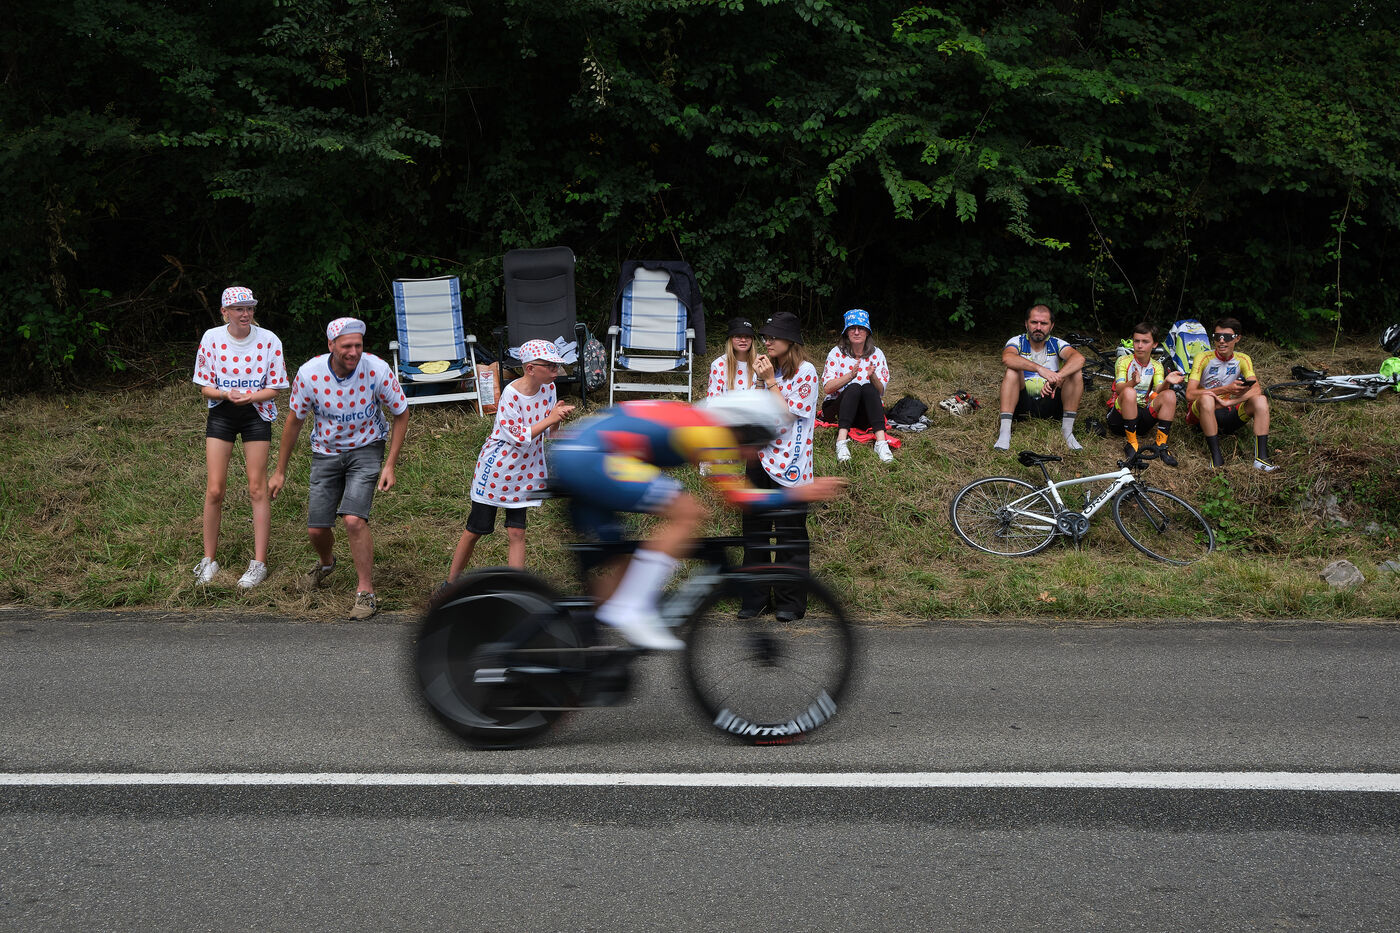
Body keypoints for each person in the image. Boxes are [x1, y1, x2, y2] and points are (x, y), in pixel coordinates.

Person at [549, 390, 843, 650]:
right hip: (594, 457)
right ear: (744, 428)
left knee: (625, 567)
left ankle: (580, 646)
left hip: (579, 452)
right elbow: (737, 498)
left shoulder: (697, 423)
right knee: (687, 511)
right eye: (759, 442)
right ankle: (633, 610)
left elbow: (727, 490)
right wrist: (799, 493)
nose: (755, 455)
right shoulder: (711, 431)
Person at [268, 317, 411, 619]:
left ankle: (366, 592)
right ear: (331, 345)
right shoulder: (310, 374)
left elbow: (401, 412)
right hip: (326, 451)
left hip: (367, 446)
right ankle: (326, 563)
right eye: (347, 346)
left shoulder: (377, 369)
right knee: (317, 529)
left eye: (358, 345)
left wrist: (390, 465)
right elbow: (294, 422)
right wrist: (280, 470)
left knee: (353, 520)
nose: (354, 352)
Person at [446, 339, 575, 579]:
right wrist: (551, 418)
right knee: (475, 530)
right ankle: (450, 584)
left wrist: (557, 419)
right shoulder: (511, 394)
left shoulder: (549, 388)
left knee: (517, 532)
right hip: (497, 469)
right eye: (550, 366)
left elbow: (549, 433)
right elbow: (518, 436)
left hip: (525, 471)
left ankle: (517, 589)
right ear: (530, 368)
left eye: (557, 365)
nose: (556, 371)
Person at [191, 286, 290, 588]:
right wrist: (225, 394)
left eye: (249, 308)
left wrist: (251, 397)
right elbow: (204, 386)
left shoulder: (269, 340)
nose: (245, 314)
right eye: (238, 309)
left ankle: (259, 564)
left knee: (257, 488)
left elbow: (276, 387)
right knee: (214, 489)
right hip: (222, 413)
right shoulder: (211, 338)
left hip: (256, 414)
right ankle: (209, 560)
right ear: (225, 312)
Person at [742, 311, 823, 621]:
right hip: (759, 458)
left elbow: (788, 414)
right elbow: (755, 412)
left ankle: (790, 602)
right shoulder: (767, 369)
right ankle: (756, 599)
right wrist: (760, 380)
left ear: (791, 340)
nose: (767, 341)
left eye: (774, 336)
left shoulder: (806, 371)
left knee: (790, 535)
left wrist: (770, 382)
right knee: (755, 532)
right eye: (766, 336)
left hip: (792, 463)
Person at [1184, 317, 1277, 471]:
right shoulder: (1203, 357)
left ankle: (1262, 459)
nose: (1221, 341)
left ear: (1237, 338)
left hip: (1227, 411)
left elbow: (1256, 389)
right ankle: (1216, 460)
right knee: (1207, 399)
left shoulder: (1243, 359)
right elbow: (1190, 394)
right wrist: (1226, 389)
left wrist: (1230, 402)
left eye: (1227, 337)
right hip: (1201, 413)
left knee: (1260, 400)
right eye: (1217, 337)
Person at [995, 304, 1085, 451]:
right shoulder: (1017, 341)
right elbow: (1007, 358)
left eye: (1043, 323)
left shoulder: (1057, 343)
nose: (1038, 327)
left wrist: (1057, 377)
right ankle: (1004, 433)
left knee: (1075, 372)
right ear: (1026, 324)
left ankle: (1067, 432)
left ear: (1051, 326)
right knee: (1012, 370)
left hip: (1051, 400)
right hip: (1022, 403)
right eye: (1034, 322)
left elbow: (1079, 359)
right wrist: (1040, 369)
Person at [821, 308, 893, 463]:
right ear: (846, 333)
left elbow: (881, 391)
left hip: (863, 413)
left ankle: (881, 443)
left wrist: (872, 377)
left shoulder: (877, 354)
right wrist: (850, 376)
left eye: (861, 328)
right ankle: (841, 441)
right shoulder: (836, 353)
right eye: (852, 328)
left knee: (867, 387)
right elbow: (827, 388)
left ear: (867, 332)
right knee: (854, 387)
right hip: (837, 409)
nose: (856, 332)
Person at [1107, 322, 1183, 467]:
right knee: (1129, 392)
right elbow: (1119, 390)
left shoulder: (1156, 365)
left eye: (1145, 342)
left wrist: (1167, 381)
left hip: (1141, 420)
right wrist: (1132, 383)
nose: (1139, 346)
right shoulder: (1123, 361)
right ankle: (1132, 444)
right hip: (1118, 419)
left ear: (1154, 344)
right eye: (1136, 341)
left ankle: (1160, 445)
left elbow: (1158, 391)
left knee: (1170, 394)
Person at [706, 317, 759, 397]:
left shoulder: (761, 362)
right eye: (738, 336)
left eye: (747, 336)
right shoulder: (718, 365)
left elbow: (767, 396)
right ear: (730, 339)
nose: (743, 340)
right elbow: (712, 399)